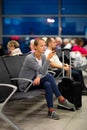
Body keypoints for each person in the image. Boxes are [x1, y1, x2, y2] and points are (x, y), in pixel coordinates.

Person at [19, 38, 75, 120]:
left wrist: (38, 77)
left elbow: (42, 72)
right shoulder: (30, 58)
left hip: (36, 80)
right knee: (49, 76)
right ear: (35, 47)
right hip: (26, 83)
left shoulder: (43, 56)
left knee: (48, 84)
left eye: (44, 45)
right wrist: (48, 60)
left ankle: (51, 110)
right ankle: (61, 98)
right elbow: (42, 71)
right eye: (41, 46)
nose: (44, 47)